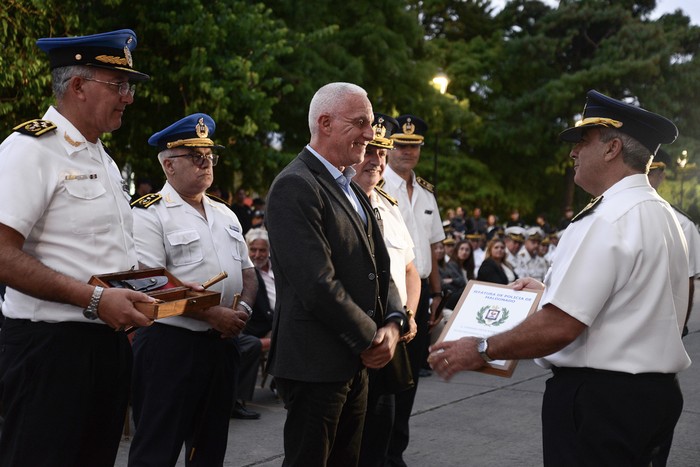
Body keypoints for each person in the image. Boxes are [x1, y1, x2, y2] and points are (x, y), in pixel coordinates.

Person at [430, 89, 689, 466]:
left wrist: (482, 348)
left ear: (612, 148)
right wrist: (549, 291)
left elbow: (560, 326)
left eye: (582, 141)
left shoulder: (605, 220)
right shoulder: (664, 216)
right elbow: (629, 298)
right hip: (653, 396)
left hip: (602, 403)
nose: (573, 152)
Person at [0, 29, 152, 466]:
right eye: (118, 85)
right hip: (49, 350)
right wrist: (96, 299)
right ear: (78, 86)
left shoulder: (99, 156)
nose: (129, 97)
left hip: (104, 343)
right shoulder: (31, 149)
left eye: (129, 87)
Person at [265, 82, 408, 467]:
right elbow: (316, 283)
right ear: (325, 123)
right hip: (316, 364)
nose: (370, 134)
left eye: (371, 123)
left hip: (355, 360)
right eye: (360, 123)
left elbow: (380, 266)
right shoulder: (295, 185)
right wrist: (370, 338)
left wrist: (394, 322)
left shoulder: (351, 187)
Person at [128, 113, 258, 466]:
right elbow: (151, 281)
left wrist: (242, 310)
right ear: (169, 165)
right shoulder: (149, 213)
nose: (206, 164)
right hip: (171, 346)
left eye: (210, 156)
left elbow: (248, 272)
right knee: (158, 447)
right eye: (196, 156)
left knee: (209, 448)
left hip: (221, 345)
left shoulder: (225, 214)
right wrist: (212, 314)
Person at [352, 112, 421, 466]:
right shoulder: (337, 202)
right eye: (368, 151)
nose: (376, 161)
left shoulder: (389, 207)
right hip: (354, 339)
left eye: (381, 152)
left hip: (392, 336)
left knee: (383, 434)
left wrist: (406, 314)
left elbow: (410, 269)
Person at [382, 113, 446, 466]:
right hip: (391, 293)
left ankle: (396, 452)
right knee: (386, 378)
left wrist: (437, 295)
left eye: (414, 146)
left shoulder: (425, 193)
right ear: (389, 146)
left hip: (420, 293)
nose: (407, 152)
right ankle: (379, 451)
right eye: (401, 145)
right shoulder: (378, 186)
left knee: (409, 381)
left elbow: (433, 251)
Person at [648, 149, 700, 338]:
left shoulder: (602, 215)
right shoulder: (682, 224)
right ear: (662, 176)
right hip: (660, 330)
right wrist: (678, 331)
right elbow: (686, 285)